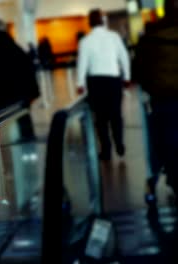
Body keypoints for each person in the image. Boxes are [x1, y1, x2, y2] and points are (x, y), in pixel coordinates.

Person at [132, 0, 178, 205]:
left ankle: (173, 178)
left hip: (162, 100)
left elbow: (138, 71)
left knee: (168, 141)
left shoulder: (150, 37)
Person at [76, 8, 131, 161]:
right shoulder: (114, 37)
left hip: (96, 83)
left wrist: (80, 84)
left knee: (100, 119)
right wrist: (126, 77)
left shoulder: (85, 41)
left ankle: (106, 151)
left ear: (89, 23)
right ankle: (119, 144)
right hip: (113, 80)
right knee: (116, 115)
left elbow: (82, 64)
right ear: (103, 21)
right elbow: (124, 56)